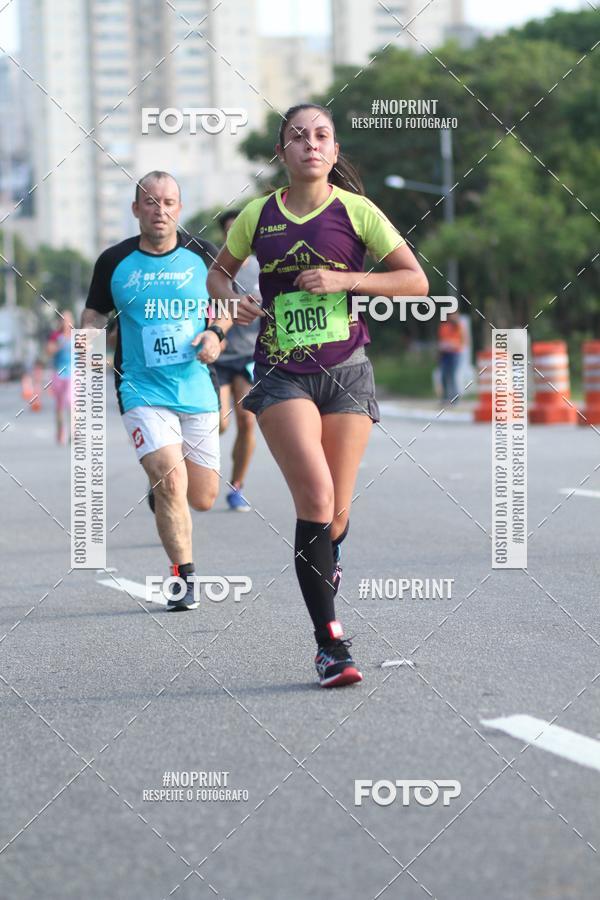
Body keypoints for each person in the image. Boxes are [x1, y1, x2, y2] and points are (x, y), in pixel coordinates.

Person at [207, 104, 429, 687]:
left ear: (333, 151)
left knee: (336, 515)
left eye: (322, 135)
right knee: (316, 497)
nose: (310, 143)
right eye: (297, 136)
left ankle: (326, 561)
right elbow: (219, 273)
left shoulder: (357, 212)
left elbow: (415, 281)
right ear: (281, 153)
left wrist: (344, 279)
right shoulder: (257, 215)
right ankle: (331, 644)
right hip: (281, 373)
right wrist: (233, 298)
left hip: (346, 372)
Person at [81, 170, 232, 611]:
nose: (159, 210)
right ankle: (184, 578)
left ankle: (161, 488)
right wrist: (89, 352)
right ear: (136, 209)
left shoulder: (202, 255)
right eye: (150, 201)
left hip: (196, 387)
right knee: (171, 480)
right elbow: (92, 315)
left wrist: (216, 335)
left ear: (179, 209)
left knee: (201, 498)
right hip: (141, 388)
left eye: (168, 202)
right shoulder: (114, 261)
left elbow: (223, 305)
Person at [213, 210, 261, 511]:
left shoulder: (263, 268)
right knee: (218, 423)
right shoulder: (216, 270)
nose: (235, 234)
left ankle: (237, 486)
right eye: (230, 230)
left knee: (247, 420)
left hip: (249, 356)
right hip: (216, 356)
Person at [46, 310, 73, 444]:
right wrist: (59, 344)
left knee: (71, 403)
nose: (65, 322)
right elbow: (48, 351)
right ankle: (60, 431)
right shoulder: (55, 336)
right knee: (59, 406)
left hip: (72, 375)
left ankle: (73, 434)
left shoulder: (76, 336)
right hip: (58, 374)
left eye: (67, 319)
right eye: (63, 319)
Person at [437, 310, 465, 403]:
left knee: (453, 376)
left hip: (455, 354)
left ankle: (455, 399)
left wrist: (454, 344)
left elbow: (463, 341)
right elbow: (441, 340)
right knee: (444, 376)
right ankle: (445, 397)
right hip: (445, 354)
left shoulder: (459, 326)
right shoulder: (443, 326)